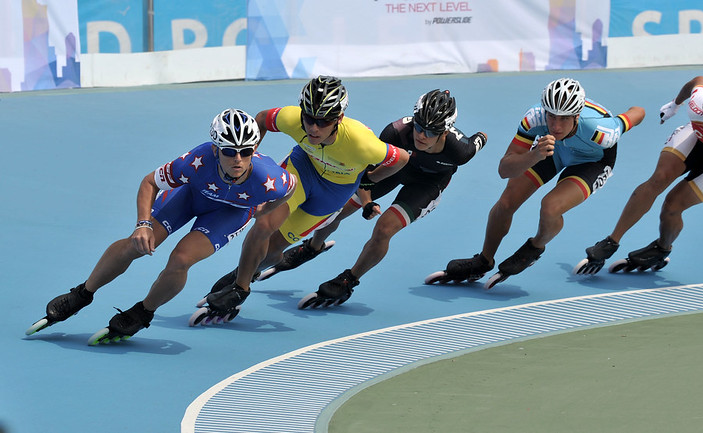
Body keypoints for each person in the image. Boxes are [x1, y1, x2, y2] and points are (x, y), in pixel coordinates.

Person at [26, 108, 295, 344]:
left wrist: (263, 210)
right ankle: (83, 294)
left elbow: (288, 191)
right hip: (192, 196)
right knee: (138, 244)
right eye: (229, 151)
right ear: (215, 149)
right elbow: (150, 182)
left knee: (180, 259)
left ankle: (143, 312)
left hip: (231, 211)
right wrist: (142, 224)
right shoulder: (196, 161)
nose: (238, 159)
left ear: (254, 150)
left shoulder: (271, 178)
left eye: (246, 151)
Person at [260, 89, 487, 308]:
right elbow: (365, 177)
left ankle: (349, 280)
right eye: (419, 127)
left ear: (445, 132)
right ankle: (312, 247)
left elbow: (481, 138)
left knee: (384, 229)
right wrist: (367, 202)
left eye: (430, 132)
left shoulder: (461, 151)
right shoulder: (395, 132)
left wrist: (480, 137)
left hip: (427, 184)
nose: (421, 135)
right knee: (338, 210)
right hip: (392, 171)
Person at [206, 76, 410, 310]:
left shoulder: (363, 143)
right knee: (263, 225)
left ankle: (254, 267)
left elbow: (401, 158)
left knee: (272, 252)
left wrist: (370, 178)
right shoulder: (292, 118)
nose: (313, 128)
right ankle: (241, 288)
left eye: (323, 122)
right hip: (301, 170)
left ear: (338, 118)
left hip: (333, 191)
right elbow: (261, 119)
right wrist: (248, 163)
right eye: (309, 118)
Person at [435, 77, 645, 289]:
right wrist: (534, 155)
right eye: (551, 116)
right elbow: (504, 169)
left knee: (550, 207)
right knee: (507, 202)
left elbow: (637, 112)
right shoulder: (535, 118)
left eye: (564, 119)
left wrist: (644, 109)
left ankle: (535, 247)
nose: (555, 125)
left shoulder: (602, 131)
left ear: (577, 116)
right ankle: (484, 260)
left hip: (593, 161)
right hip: (552, 150)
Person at [574, 76, 703, 274]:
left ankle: (662, 248)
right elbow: (698, 81)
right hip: (696, 140)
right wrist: (676, 104)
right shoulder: (698, 107)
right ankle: (612, 241)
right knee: (658, 180)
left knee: (672, 206)